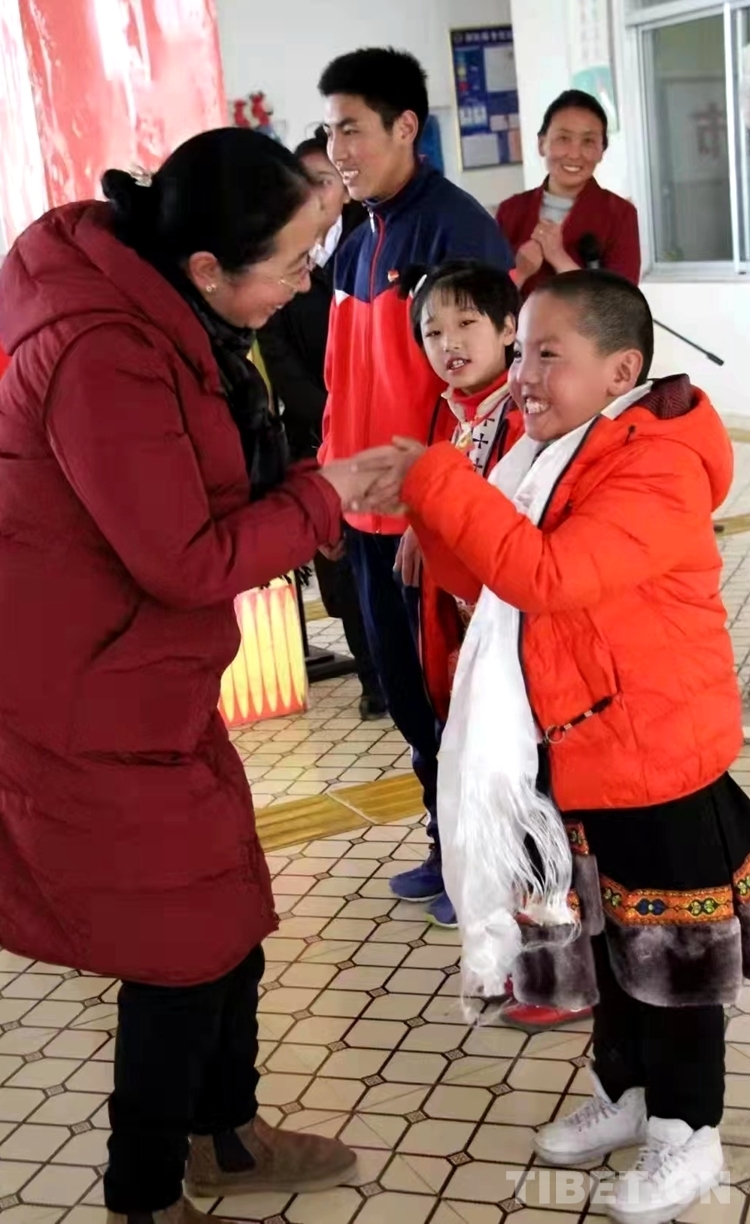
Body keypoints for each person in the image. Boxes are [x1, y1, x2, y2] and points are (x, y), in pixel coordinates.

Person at [0, 128, 398, 1224]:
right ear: (209, 269)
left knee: (229, 915)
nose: (305, 283)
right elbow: (182, 558)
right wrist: (325, 497)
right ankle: (143, 1198)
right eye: (294, 264)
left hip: (151, 678)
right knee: (177, 951)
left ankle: (228, 1137)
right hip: (86, 699)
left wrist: (312, 487)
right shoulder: (101, 353)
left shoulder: (166, 315)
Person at [366, 271, 744, 1224]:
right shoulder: (551, 453)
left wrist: (439, 480)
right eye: (522, 352)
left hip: (653, 753)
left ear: (621, 368)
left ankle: (689, 1132)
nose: (523, 375)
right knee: (604, 945)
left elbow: (548, 575)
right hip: (575, 751)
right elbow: (485, 580)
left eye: (548, 355)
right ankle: (627, 1094)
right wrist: (432, 504)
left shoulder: (655, 462)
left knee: (670, 956)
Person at [319, 46, 514, 926]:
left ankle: (490, 863)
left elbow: (482, 393)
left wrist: (432, 513)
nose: (339, 149)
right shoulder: (356, 239)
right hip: (366, 513)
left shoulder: (455, 229)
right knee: (404, 693)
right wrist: (330, 491)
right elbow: (341, 378)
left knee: (457, 695)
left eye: (351, 129)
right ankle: (446, 844)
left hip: (425, 522)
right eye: (330, 131)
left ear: (406, 126)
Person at [399, 259, 591, 1030]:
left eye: (466, 324)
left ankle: (561, 975)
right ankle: (527, 960)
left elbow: (518, 541)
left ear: (508, 330)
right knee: (506, 804)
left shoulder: (522, 419)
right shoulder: (460, 414)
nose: (448, 343)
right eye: (431, 331)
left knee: (538, 809)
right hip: (478, 640)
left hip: (523, 652)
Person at [258, 128, 385, 720]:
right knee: (339, 567)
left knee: (382, 558)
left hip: (374, 427)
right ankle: (371, 673)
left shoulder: (371, 241)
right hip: (315, 431)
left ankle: (396, 670)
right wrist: (327, 415)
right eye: (305, 181)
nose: (317, 192)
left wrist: (356, 415)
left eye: (327, 180)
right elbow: (275, 349)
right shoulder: (280, 248)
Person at [498, 90, 640, 297]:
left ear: (602, 151)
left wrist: (559, 258)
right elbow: (486, 302)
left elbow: (623, 304)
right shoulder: (511, 212)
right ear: (541, 144)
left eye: (588, 141)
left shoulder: (620, 214)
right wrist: (519, 273)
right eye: (563, 138)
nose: (574, 154)